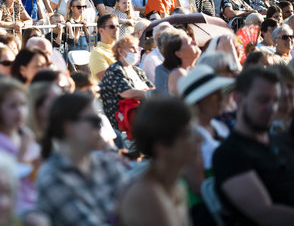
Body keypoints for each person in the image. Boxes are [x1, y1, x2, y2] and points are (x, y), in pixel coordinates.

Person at [212, 67, 294, 224]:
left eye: (275, 100)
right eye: (263, 100)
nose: (272, 108)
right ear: (239, 99)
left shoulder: (282, 140)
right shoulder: (229, 154)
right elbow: (266, 213)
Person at [37, 92, 126, 226]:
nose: (100, 128)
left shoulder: (106, 163)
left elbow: (134, 208)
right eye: (95, 122)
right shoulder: (52, 178)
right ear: (68, 127)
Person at [118, 98, 196, 226]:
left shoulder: (174, 182)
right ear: (161, 146)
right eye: (188, 133)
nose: (198, 139)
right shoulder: (147, 194)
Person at [0, 79, 40, 212]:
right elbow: (5, 178)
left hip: (34, 200)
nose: (19, 111)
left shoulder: (24, 134)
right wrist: (22, 151)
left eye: (22, 105)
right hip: (14, 208)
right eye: (12, 106)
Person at [177, 65, 233, 173]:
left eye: (220, 93)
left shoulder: (219, 125)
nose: (221, 98)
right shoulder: (190, 137)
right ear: (200, 101)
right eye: (215, 95)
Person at [99, 35, 153, 130]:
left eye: (137, 48)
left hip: (141, 113)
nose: (136, 52)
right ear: (120, 51)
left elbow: (150, 87)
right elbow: (126, 93)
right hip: (123, 119)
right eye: (132, 48)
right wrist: (151, 94)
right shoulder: (115, 70)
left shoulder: (137, 70)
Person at [88, 14, 119, 81]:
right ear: (101, 31)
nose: (116, 29)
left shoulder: (121, 50)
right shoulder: (97, 53)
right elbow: (109, 81)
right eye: (112, 26)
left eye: (118, 26)